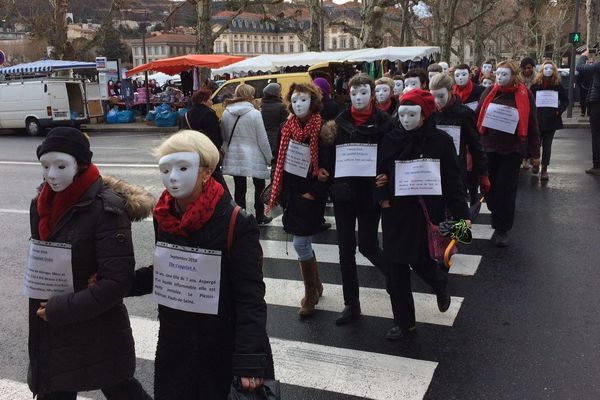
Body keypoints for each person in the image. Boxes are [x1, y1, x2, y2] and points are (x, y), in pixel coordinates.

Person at [129, 130, 274, 399]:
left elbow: (250, 295)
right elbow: (167, 272)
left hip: (220, 345)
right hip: (175, 343)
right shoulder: (165, 217)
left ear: (206, 172)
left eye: (183, 167)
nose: (172, 177)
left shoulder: (235, 221)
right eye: (165, 169)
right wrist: (118, 283)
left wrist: (249, 359)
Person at [28, 127, 153, 400]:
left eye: (61, 166)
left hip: (96, 325)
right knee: (55, 390)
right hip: (52, 323)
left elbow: (116, 282)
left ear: (80, 165)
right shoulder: (40, 203)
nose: (51, 174)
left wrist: (59, 309)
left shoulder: (106, 209)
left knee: (120, 388)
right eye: (45, 166)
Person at [375, 89, 469, 340]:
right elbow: (379, 172)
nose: (405, 119)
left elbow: (452, 182)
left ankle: (439, 283)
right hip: (395, 212)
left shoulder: (441, 141)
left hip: (426, 213)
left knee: (420, 260)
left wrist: (462, 218)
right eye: (402, 114)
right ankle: (405, 324)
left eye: (412, 114)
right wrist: (382, 197)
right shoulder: (391, 138)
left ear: (425, 115)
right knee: (396, 270)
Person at [331, 74, 394, 325]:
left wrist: (386, 176)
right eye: (354, 93)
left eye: (363, 93)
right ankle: (351, 303)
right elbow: (329, 154)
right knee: (345, 250)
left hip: (369, 194)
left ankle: (392, 275)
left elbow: (392, 154)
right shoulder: (338, 122)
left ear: (372, 94)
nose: (358, 98)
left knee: (367, 245)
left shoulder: (385, 123)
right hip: (343, 194)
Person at [268, 83, 335, 317]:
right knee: (303, 242)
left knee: (299, 243)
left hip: (309, 195)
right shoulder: (286, 127)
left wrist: (315, 191)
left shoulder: (322, 129)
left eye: (303, 100)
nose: (298, 105)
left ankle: (310, 295)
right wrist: (278, 187)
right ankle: (316, 285)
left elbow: (328, 166)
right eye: (294, 101)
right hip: (290, 193)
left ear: (313, 102)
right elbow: (277, 158)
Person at [477, 60, 540, 247]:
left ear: (513, 76)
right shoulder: (489, 92)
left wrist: (535, 153)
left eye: (505, 74)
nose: (500, 78)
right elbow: (478, 118)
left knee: (505, 190)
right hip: (489, 148)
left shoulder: (524, 94)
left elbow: (532, 123)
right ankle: (496, 213)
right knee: (489, 189)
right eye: (498, 74)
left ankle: (502, 228)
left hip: (512, 151)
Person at [430, 73, 490, 204]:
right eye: (432, 96)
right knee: (438, 215)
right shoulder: (429, 113)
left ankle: (462, 225)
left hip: (457, 172)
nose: (437, 101)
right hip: (433, 172)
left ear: (451, 91)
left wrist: (483, 174)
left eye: (441, 96)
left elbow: (476, 145)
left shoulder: (464, 114)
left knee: (460, 216)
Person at [221, 84, 273, 224]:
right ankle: (260, 215)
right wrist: (269, 158)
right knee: (259, 185)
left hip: (235, 154)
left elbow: (225, 136)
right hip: (254, 154)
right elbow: (262, 139)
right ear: (249, 96)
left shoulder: (227, 112)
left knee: (239, 187)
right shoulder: (255, 113)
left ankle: (241, 217)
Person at [180, 88, 229, 192]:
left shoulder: (186, 115)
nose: (211, 102)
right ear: (203, 101)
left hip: (192, 154)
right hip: (208, 154)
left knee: (198, 183)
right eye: (210, 100)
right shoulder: (209, 113)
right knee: (218, 187)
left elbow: (181, 136)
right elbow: (216, 137)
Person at [530, 60, 569, 181]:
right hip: (537, 118)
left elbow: (565, 101)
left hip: (551, 119)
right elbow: (529, 99)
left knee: (547, 145)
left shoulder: (557, 85)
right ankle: (535, 162)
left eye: (550, 68)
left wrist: (559, 110)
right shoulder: (536, 85)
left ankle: (544, 169)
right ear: (541, 70)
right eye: (546, 68)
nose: (548, 71)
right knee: (536, 143)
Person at [576, 49, 600, 175]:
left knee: (596, 134)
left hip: (597, 103)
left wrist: (583, 56)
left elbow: (580, 68)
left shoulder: (598, 66)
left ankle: (597, 166)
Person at [260, 82, 289, 150]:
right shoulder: (281, 107)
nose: (281, 93)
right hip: (277, 137)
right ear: (275, 93)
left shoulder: (261, 106)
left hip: (263, 136)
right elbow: (285, 124)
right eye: (279, 91)